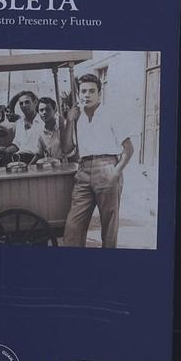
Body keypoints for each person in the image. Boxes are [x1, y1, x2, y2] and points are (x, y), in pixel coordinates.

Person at [63, 72, 135, 248]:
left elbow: (129, 149)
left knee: (109, 228)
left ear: (99, 94)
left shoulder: (111, 113)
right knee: (73, 226)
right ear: (78, 94)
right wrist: (70, 121)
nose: (87, 95)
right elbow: (66, 149)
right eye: (83, 91)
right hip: (84, 170)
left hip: (107, 167)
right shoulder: (76, 116)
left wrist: (115, 173)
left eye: (91, 91)